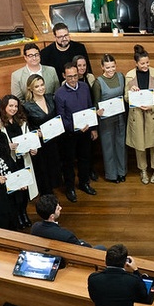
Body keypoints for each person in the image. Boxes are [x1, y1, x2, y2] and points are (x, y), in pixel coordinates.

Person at [54, 62, 98, 203]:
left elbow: (90, 106)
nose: (73, 79)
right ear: (63, 76)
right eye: (69, 77)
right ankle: (70, 188)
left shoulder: (85, 87)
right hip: (69, 134)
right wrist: (74, 127)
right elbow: (61, 117)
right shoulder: (59, 93)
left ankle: (84, 183)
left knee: (85, 158)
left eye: (75, 76)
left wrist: (93, 128)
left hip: (85, 131)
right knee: (68, 162)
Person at [124, 44, 154, 186]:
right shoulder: (129, 76)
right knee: (139, 145)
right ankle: (143, 170)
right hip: (137, 114)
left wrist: (152, 106)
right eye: (142, 63)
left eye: (147, 62)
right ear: (136, 63)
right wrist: (132, 93)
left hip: (152, 114)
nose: (146, 65)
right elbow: (126, 98)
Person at [0, 94, 37, 227]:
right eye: (11, 106)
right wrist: (7, 147)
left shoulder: (21, 120)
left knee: (25, 190)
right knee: (15, 190)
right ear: (4, 107)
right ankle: (17, 215)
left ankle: (24, 213)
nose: (14, 109)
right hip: (10, 161)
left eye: (16, 106)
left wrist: (33, 148)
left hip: (23, 159)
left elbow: (29, 138)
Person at [23, 75, 62, 195]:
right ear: (31, 89)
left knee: (54, 168)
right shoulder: (27, 106)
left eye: (42, 85)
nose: (40, 88)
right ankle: (46, 195)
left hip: (54, 141)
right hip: (40, 144)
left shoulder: (51, 98)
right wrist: (36, 133)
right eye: (37, 86)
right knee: (43, 172)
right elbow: (26, 128)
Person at [92, 54, 127, 184]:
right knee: (108, 147)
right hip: (106, 119)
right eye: (107, 67)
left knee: (120, 144)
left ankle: (122, 172)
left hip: (120, 117)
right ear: (102, 67)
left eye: (113, 66)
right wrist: (97, 111)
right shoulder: (97, 83)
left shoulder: (121, 77)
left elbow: (125, 95)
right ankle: (112, 174)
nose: (111, 70)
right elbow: (95, 103)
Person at [31, 193, 100, 248]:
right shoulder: (67, 235)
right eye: (58, 208)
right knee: (101, 247)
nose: (61, 208)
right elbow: (82, 248)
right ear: (52, 216)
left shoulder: (35, 227)